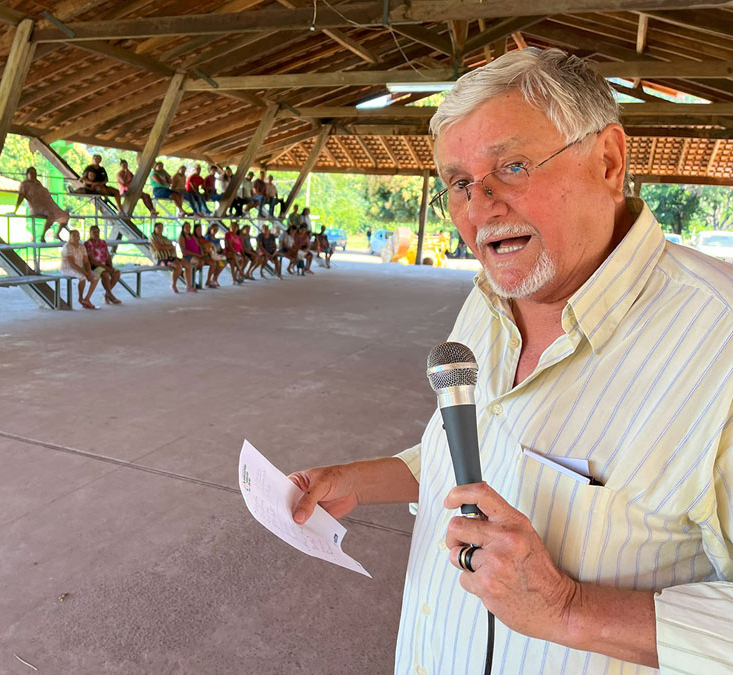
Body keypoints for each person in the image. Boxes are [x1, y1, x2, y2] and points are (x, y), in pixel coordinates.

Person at [288, 48, 733, 674]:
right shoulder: (489, 301)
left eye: (513, 167)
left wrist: (568, 607)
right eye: (459, 183)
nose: (480, 207)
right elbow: (475, 454)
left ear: (608, 161)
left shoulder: (721, 342)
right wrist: (357, 482)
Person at [13, 167, 71, 242]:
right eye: (31, 173)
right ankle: (42, 236)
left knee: (66, 215)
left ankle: (57, 234)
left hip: (49, 205)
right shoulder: (24, 184)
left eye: (35, 173)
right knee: (51, 215)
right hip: (38, 208)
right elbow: (20, 197)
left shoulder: (37, 183)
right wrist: (15, 210)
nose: (34, 175)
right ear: (27, 174)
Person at [149, 222, 194, 293]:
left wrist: (169, 248)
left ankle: (188, 286)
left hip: (171, 256)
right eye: (158, 228)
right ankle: (173, 286)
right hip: (160, 259)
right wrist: (169, 247)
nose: (160, 229)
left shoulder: (164, 238)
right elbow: (159, 247)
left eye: (161, 228)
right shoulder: (152, 238)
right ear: (155, 228)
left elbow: (173, 247)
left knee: (188, 264)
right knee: (178, 265)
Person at [61, 229, 99, 309]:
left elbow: (86, 261)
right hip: (68, 268)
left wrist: (89, 271)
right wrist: (85, 273)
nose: (76, 237)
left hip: (80, 267)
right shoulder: (67, 246)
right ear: (70, 237)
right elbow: (72, 264)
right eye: (74, 235)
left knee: (96, 277)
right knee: (83, 278)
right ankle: (80, 298)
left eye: (77, 235)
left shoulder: (82, 247)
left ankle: (87, 298)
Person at [84, 225, 122, 305]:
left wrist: (110, 267)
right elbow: (91, 260)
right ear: (90, 233)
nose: (96, 234)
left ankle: (107, 294)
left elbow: (107, 256)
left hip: (103, 264)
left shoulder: (102, 242)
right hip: (93, 266)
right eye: (94, 232)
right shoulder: (88, 244)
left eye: (97, 232)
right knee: (105, 274)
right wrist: (106, 268)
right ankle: (110, 295)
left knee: (117, 273)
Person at [179, 221, 218, 289]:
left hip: (198, 255)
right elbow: (184, 251)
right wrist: (196, 254)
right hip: (188, 256)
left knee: (213, 263)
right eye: (186, 227)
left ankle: (208, 281)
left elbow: (199, 246)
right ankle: (188, 276)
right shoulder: (181, 237)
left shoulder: (192, 237)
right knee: (200, 262)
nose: (188, 228)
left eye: (189, 227)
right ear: (183, 228)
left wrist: (202, 252)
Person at [193, 223, 223, 288]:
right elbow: (201, 246)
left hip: (206, 256)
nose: (199, 231)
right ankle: (190, 276)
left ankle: (209, 280)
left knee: (217, 263)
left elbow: (208, 247)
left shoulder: (203, 238)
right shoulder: (194, 238)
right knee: (202, 262)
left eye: (200, 229)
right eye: (198, 230)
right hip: (198, 256)